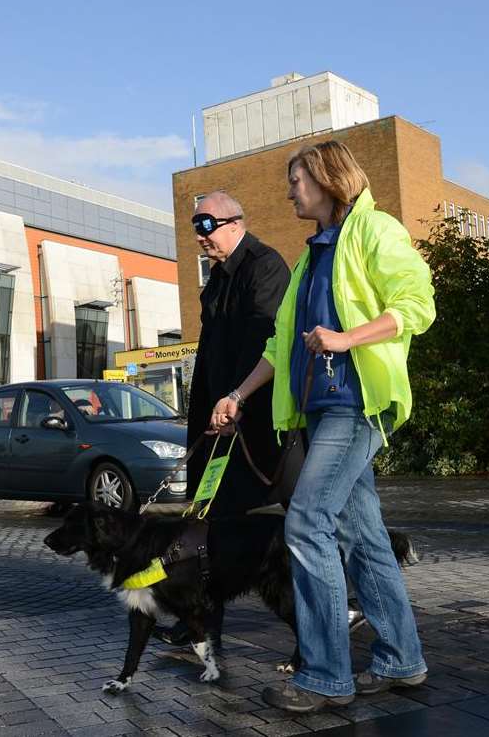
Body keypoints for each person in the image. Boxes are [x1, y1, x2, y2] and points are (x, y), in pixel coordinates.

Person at [210, 141, 433, 712]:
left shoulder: (376, 231)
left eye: (296, 181)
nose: (288, 192)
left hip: (357, 404)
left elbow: (417, 304)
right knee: (365, 536)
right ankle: (402, 659)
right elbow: (280, 346)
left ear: (329, 179)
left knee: (307, 522)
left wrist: (346, 338)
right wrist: (236, 395)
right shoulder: (312, 257)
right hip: (320, 409)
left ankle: (327, 675)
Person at [151, 190, 291, 649]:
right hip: (216, 420)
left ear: (235, 221)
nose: (200, 236)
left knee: (301, 520)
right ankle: (201, 624)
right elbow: (212, 349)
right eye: (195, 226)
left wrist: (237, 400)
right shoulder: (215, 279)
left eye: (206, 224)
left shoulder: (264, 266)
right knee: (207, 523)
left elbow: (265, 344)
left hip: (256, 422)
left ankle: (330, 614)